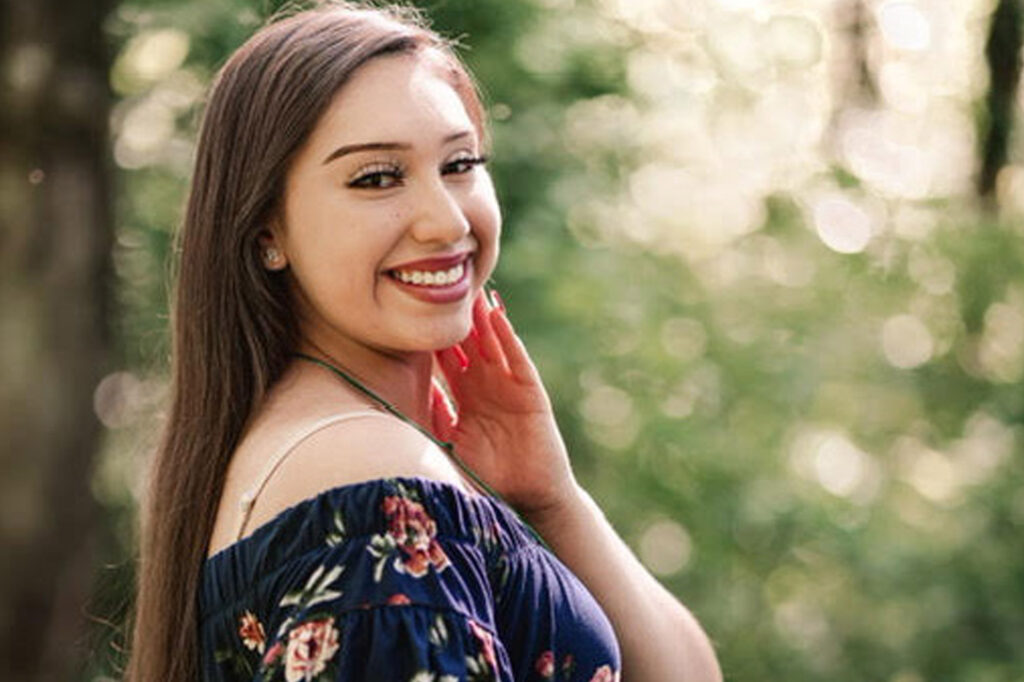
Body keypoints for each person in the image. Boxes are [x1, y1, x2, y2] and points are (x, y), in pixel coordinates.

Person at [126, 3, 722, 681]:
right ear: (268, 232)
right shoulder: (370, 475)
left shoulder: (305, 451)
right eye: (377, 178)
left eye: (460, 163)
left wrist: (554, 498)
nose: (445, 221)